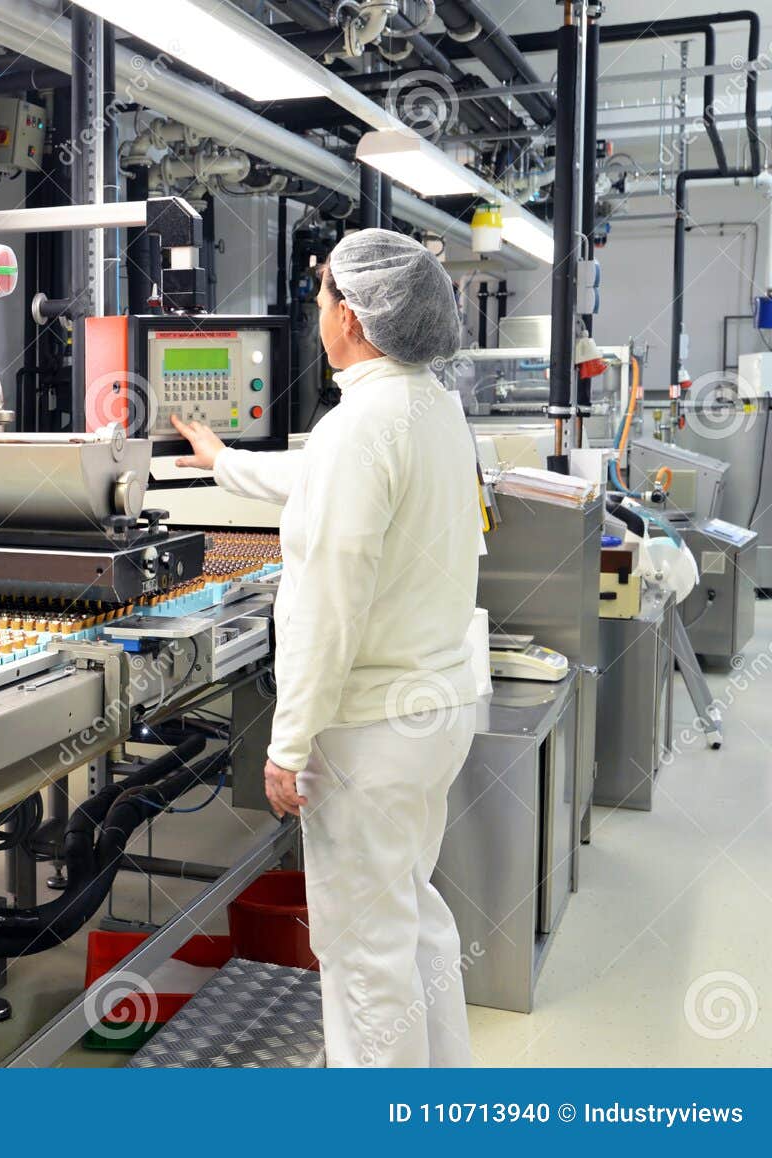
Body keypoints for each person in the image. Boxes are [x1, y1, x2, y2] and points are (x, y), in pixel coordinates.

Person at [170, 228, 480, 1068]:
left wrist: (288, 744)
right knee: (412, 925)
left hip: (370, 726)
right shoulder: (428, 406)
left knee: (363, 956)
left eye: (321, 300)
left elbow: (331, 606)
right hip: (434, 707)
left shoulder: (359, 426)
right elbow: (318, 484)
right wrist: (221, 458)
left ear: (355, 315)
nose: (316, 315)